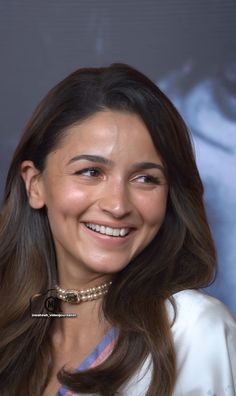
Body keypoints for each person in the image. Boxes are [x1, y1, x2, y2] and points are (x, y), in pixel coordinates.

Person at [0, 64, 235, 396]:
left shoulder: (193, 331)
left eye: (145, 179)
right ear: (35, 185)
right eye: (91, 171)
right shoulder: (14, 324)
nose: (118, 205)